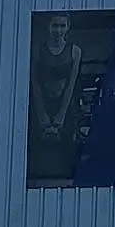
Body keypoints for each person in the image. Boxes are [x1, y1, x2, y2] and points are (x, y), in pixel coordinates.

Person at [27, 14, 82, 181]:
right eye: (55, 26)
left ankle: (69, 176)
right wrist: (42, 114)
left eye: (62, 26)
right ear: (49, 27)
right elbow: (34, 81)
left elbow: (71, 84)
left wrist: (61, 115)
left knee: (69, 140)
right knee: (36, 140)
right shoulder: (38, 50)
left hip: (65, 102)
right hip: (42, 100)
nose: (58, 30)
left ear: (68, 27)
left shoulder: (75, 51)